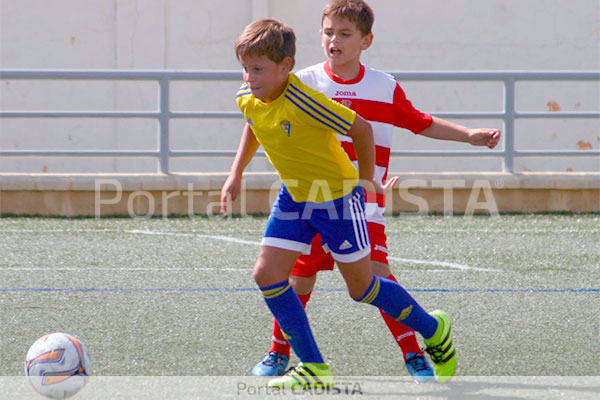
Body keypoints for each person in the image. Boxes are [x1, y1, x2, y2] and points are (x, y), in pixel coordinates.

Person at [223, 17, 457, 388]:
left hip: (336, 199)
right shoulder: (246, 97)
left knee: (362, 288)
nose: (249, 77)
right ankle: (313, 366)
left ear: (286, 67)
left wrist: (366, 182)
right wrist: (235, 173)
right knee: (267, 274)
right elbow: (255, 123)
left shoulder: (305, 100)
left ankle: (433, 328)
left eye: (258, 69)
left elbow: (361, 128)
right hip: (295, 197)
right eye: (245, 68)